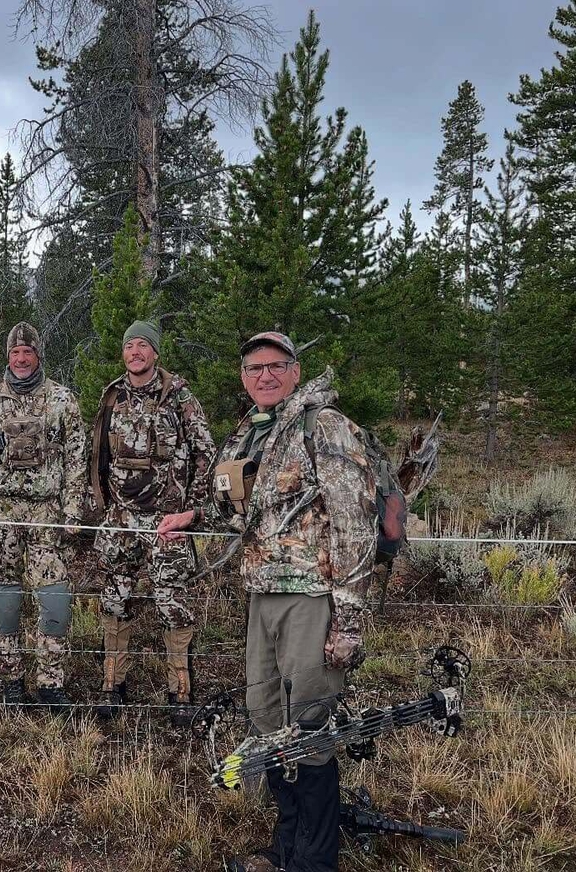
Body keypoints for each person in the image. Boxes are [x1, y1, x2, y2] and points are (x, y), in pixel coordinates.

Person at [160, 332, 377, 872]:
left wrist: (348, 618)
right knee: (266, 721)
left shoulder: (322, 426)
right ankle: (285, 850)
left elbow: (354, 523)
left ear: (295, 372)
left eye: (276, 366)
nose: (265, 376)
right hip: (261, 595)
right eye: (254, 368)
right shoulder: (248, 435)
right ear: (243, 377)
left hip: (311, 597)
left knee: (309, 728)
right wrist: (194, 518)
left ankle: (314, 860)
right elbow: (238, 509)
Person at [87, 321, 215, 725]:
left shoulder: (179, 398)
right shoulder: (112, 395)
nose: (136, 351)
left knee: (173, 606)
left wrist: (192, 514)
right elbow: (96, 456)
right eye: (129, 345)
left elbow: (205, 457)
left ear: (156, 353)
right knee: (114, 602)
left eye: (143, 345)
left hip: (167, 524)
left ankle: (180, 693)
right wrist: (103, 507)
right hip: (120, 521)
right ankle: (112, 684)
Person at [0, 323, 88, 713]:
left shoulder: (63, 400)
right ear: (8, 355)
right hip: (1, 514)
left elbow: (76, 459)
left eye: (27, 352)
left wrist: (72, 513)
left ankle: (50, 682)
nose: (20, 359)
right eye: (15, 352)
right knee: (6, 600)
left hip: (47, 514)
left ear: (37, 355)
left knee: (54, 601)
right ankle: (10, 680)